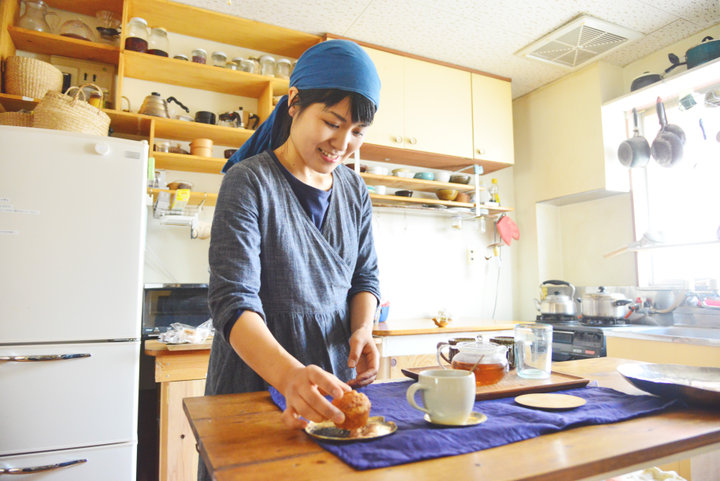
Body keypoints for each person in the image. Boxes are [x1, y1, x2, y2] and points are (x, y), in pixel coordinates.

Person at [203, 38, 382, 460]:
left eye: (357, 132)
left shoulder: (355, 191)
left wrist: (363, 329)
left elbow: (364, 277)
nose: (343, 143)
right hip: (254, 384)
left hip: (334, 388)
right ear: (294, 102)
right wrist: (288, 377)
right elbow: (232, 300)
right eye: (332, 122)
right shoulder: (249, 182)